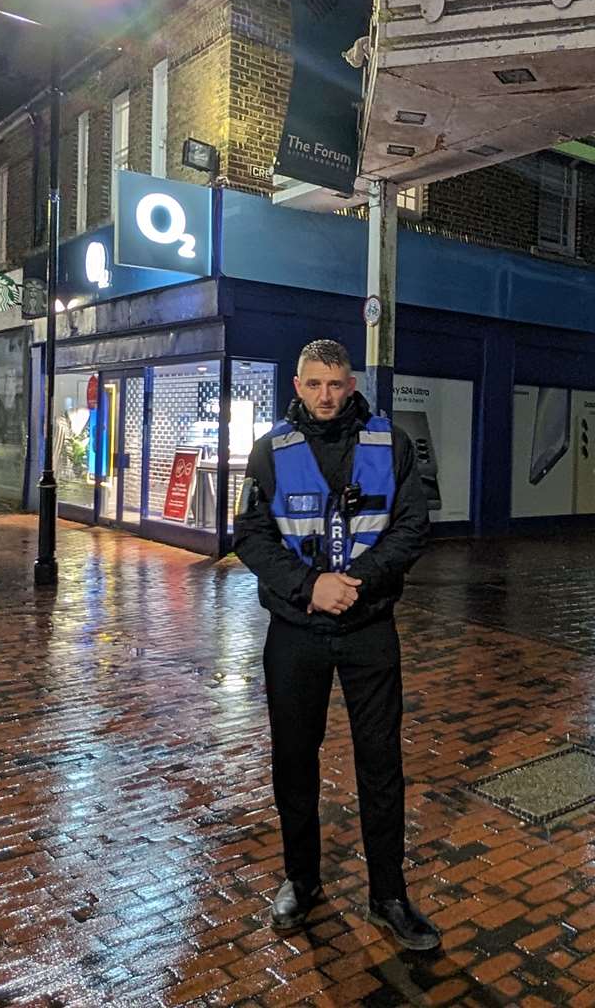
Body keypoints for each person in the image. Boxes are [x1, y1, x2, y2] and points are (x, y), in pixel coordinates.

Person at [233, 338, 440, 951]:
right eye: (314, 384)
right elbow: (250, 534)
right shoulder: (270, 451)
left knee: (382, 764)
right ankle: (302, 880)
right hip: (296, 631)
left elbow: (412, 527)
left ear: (351, 385)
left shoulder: (389, 443)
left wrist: (356, 584)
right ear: (297, 387)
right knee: (294, 760)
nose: (326, 395)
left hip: (369, 627)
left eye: (336, 384)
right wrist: (310, 587)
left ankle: (389, 896)